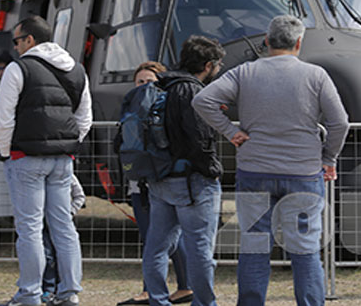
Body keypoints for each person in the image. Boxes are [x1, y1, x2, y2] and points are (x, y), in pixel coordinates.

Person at [193, 15, 349, 306]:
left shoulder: (244, 72)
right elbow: (340, 122)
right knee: (305, 249)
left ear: (266, 41)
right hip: (303, 171)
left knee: (254, 245)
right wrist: (328, 157)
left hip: (254, 169)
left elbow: (202, 100)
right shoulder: (316, 75)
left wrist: (231, 131)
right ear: (299, 43)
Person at [0, 16, 92, 306]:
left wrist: (4, 151)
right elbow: (85, 118)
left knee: (29, 229)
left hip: (25, 157)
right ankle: (69, 293)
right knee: (64, 226)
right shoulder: (77, 69)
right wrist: (69, 145)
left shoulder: (19, 68)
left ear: (30, 40)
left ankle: (30, 294)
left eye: (17, 40)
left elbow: (4, 117)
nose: (15, 46)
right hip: (63, 159)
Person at [142, 38, 225, 306]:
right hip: (193, 182)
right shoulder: (193, 92)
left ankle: (157, 300)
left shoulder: (160, 86)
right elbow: (199, 139)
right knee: (200, 249)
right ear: (208, 65)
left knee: (156, 247)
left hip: (160, 178)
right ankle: (204, 303)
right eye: (218, 65)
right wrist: (212, 169)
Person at [120, 61, 193, 306]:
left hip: (158, 180)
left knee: (156, 239)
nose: (143, 87)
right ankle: (184, 286)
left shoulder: (160, 110)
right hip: (139, 181)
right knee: (166, 237)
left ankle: (151, 290)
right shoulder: (132, 110)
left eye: (149, 82)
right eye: (139, 82)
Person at [42, 173, 86, 304]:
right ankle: (47, 289)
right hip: (41, 222)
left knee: (60, 255)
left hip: (59, 221)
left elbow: (79, 196)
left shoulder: (67, 175)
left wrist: (70, 212)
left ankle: (59, 288)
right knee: (46, 255)